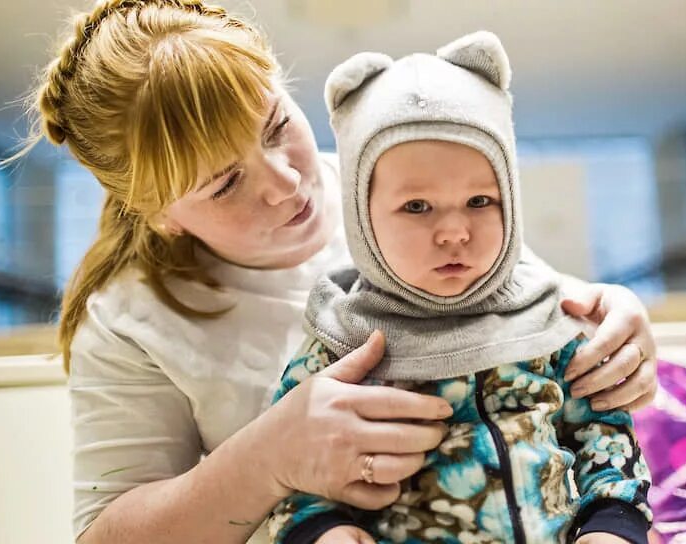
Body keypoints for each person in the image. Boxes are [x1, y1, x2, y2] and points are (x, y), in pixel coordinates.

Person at [11, 1, 659, 542]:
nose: (288, 181)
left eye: (274, 125)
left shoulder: (393, 180)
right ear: (159, 213)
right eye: (225, 182)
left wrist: (604, 314)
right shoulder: (131, 321)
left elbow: (520, 310)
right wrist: (269, 459)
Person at [261, 32, 651, 544]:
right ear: (362, 219)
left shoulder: (552, 323)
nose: (454, 232)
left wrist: (613, 526)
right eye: (417, 207)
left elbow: (604, 438)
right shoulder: (340, 344)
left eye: (479, 201)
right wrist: (322, 529)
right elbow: (292, 474)